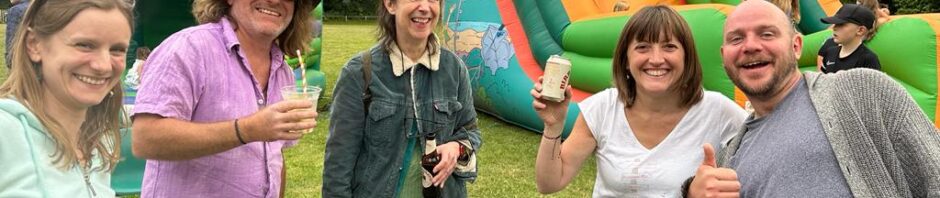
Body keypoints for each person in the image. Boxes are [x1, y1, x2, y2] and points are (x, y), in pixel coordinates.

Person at [684, 0, 940, 197]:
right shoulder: (731, 155)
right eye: (736, 38)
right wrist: (691, 191)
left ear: (796, 46)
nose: (750, 46)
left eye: (767, 34)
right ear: (723, 55)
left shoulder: (863, 90)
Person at [532, 5, 747, 197]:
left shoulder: (718, 110)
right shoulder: (603, 108)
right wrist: (553, 126)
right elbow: (549, 183)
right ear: (626, 60)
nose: (656, 59)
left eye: (669, 47)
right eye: (642, 47)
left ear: (687, 57)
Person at [130, 0, 317, 197]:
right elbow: (145, 139)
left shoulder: (282, 71)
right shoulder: (188, 48)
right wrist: (247, 129)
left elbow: (274, 158)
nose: (275, 1)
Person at [323, 0, 482, 197]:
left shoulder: (455, 69)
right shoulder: (358, 73)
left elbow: (472, 133)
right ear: (390, 5)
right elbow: (338, 163)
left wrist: (457, 148)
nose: (424, 7)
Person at [0, 0, 132, 196]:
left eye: (117, 50)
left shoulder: (98, 140)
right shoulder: (6, 132)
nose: (104, 65)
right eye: (85, 45)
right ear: (34, 45)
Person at [817, 4, 881, 73]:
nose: (834, 28)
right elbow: (822, 80)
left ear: (860, 30)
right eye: (835, 24)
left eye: (841, 24)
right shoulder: (830, 52)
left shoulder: (868, 60)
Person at [5, 0, 29, 68]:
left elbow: (11, 42)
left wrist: (9, 61)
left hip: (21, 62)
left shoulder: (16, 11)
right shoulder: (40, 7)